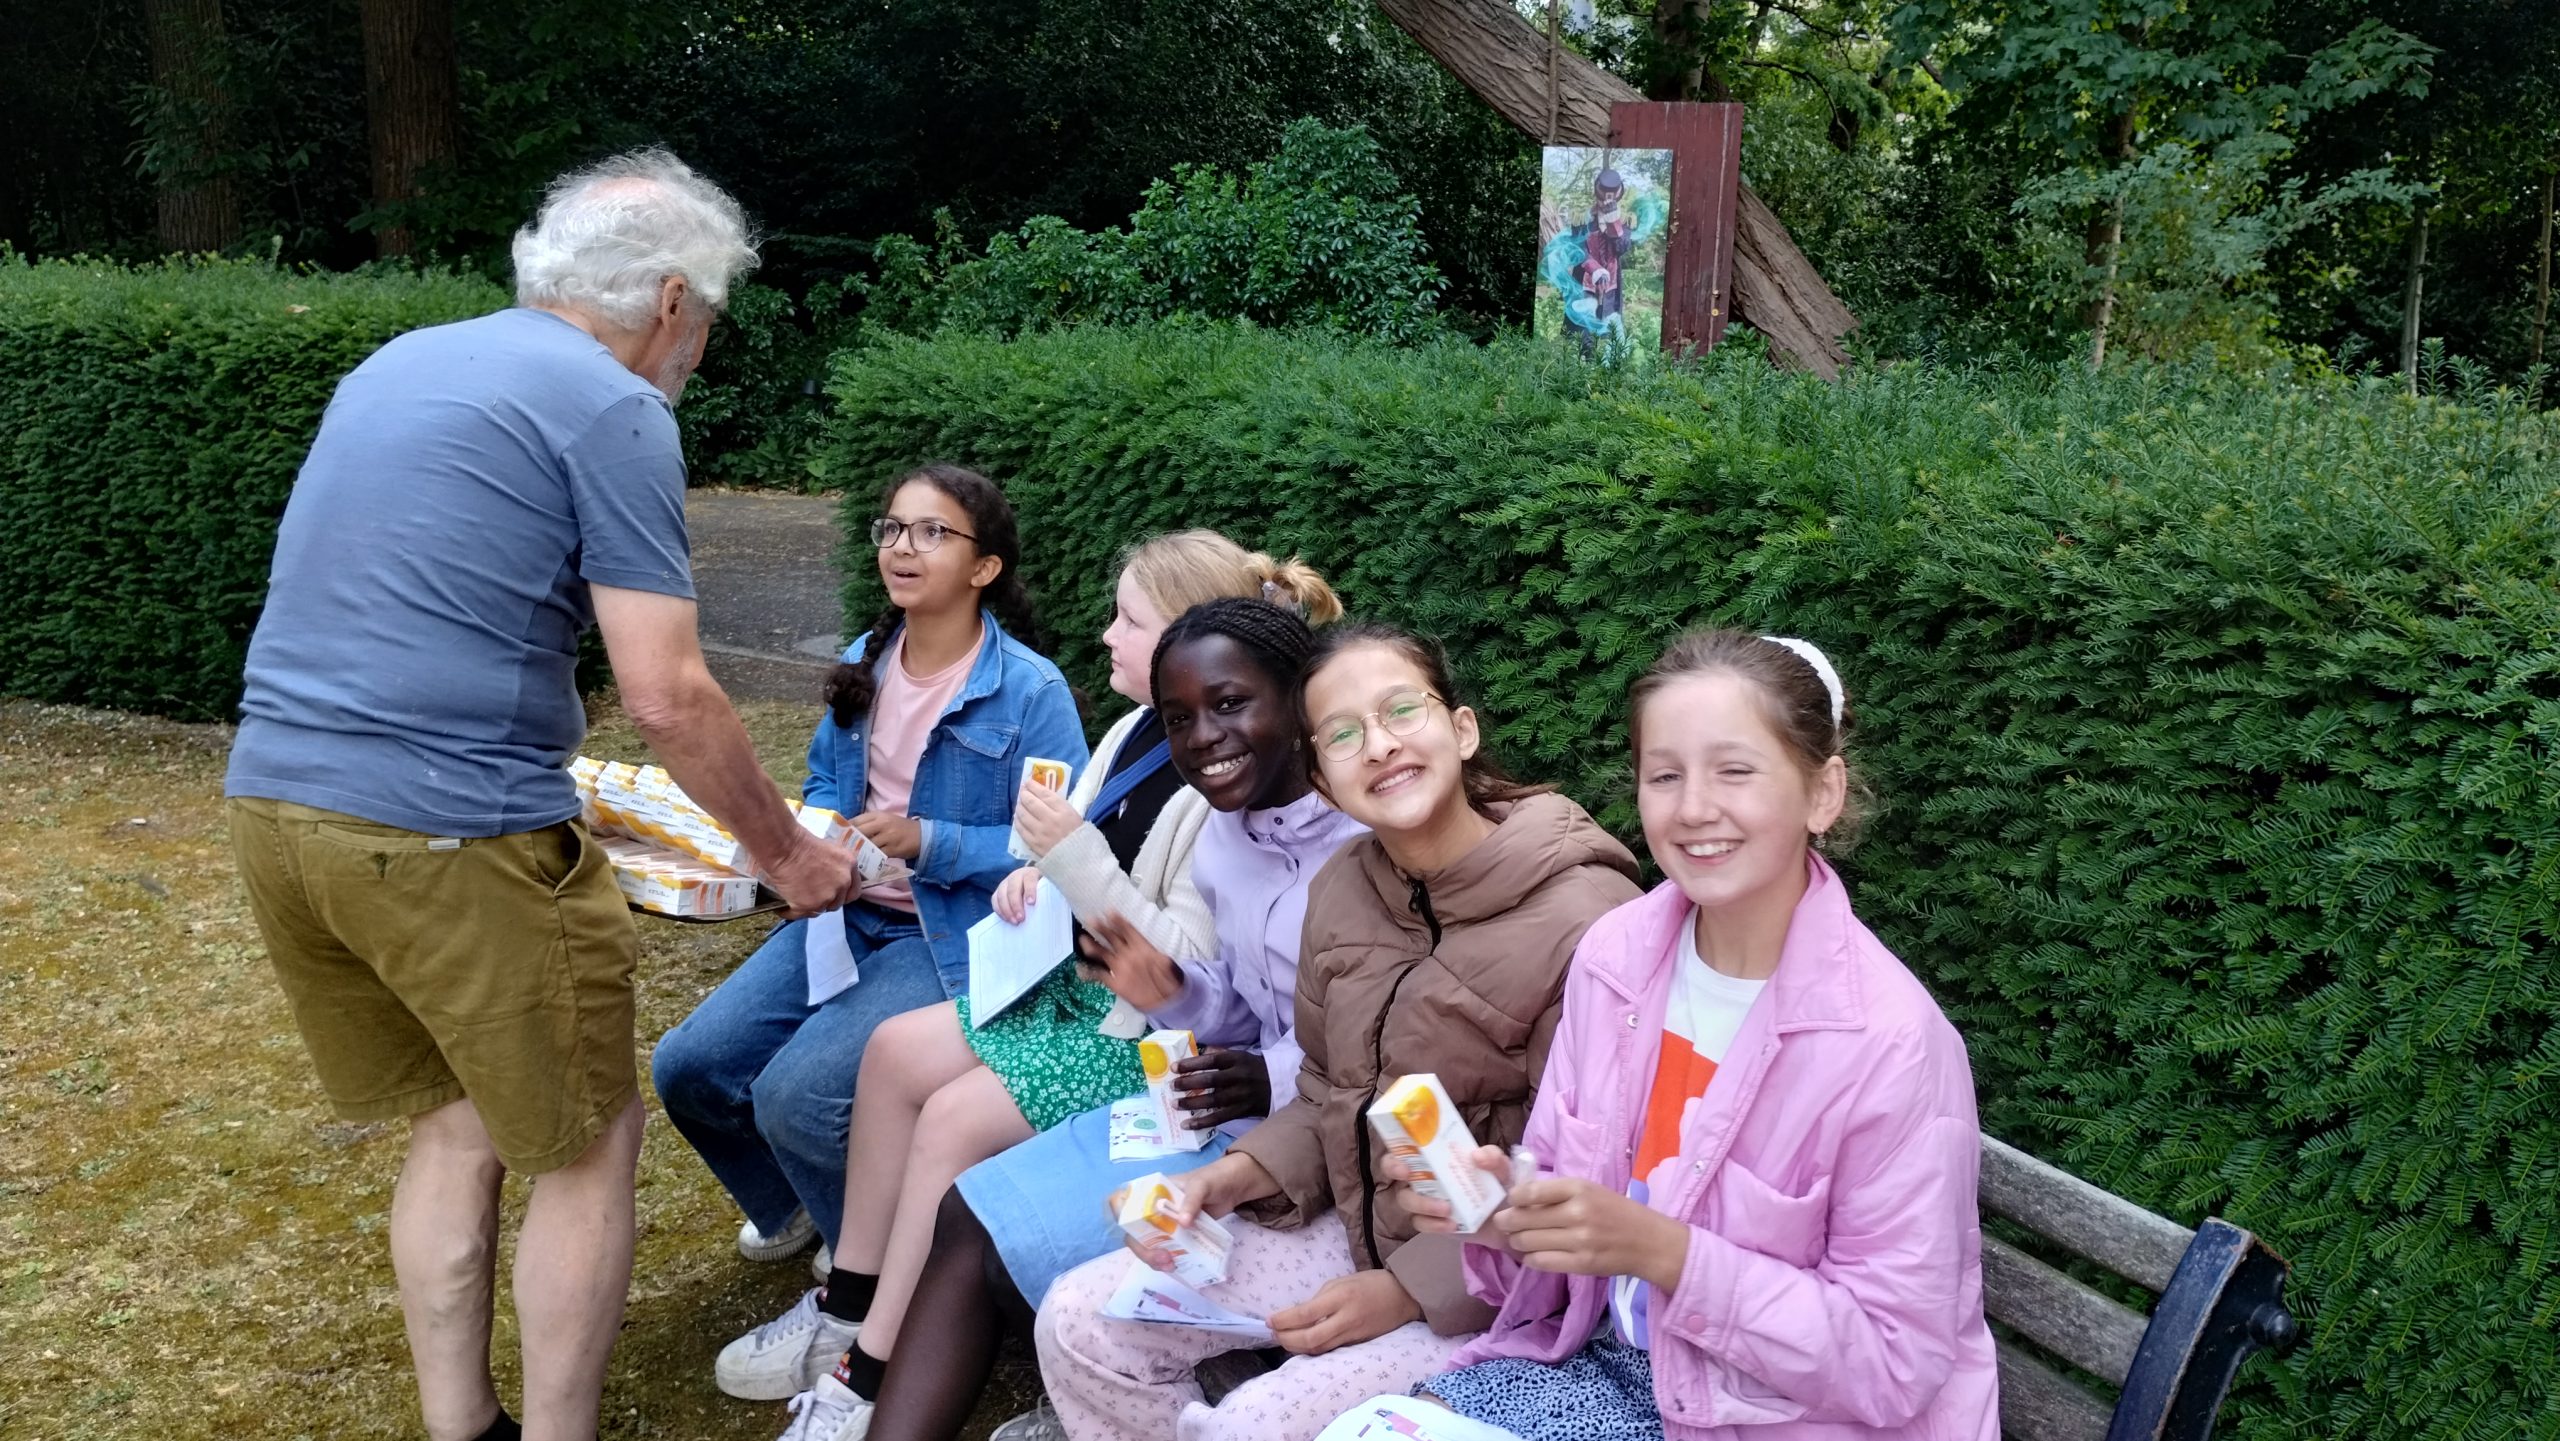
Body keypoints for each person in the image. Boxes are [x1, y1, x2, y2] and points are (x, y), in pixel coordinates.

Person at [222, 150, 861, 1441]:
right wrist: (792, 857)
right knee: (586, 1144)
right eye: (709, 317)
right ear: (672, 301)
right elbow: (669, 693)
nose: (701, 346)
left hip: (276, 805)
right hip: (446, 830)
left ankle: (466, 1426)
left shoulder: (398, 362)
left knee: (456, 1117)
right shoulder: (612, 405)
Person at [1322, 631, 1999, 1441]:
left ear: (1822, 793)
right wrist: (1496, 1212)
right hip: (1597, 1366)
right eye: (1665, 775)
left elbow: (1893, 1362)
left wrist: (1669, 1254)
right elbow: (1563, 1233)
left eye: (1735, 770)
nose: (1694, 807)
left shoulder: (1892, 1044)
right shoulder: (1616, 959)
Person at [711, 534, 1340, 1402]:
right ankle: (848, 1301)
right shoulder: (1132, 731)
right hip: (1070, 989)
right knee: (892, 1050)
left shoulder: (1219, 785)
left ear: (1184, 637)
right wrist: (1035, 873)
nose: (1107, 633)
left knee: (953, 1117)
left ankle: (875, 1364)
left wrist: (1072, 858)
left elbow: (1183, 963)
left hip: (1132, 1028)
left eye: (1129, 619)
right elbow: (1070, 846)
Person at [1034, 622, 1644, 1441]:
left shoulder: (1588, 920)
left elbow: (1588, 1175)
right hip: (1356, 1228)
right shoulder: (1345, 889)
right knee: (1080, 1320)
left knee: (1253, 1426)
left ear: (1462, 728)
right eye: (1345, 733)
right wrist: (1226, 1180)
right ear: (1321, 774)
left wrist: (1406, 1290)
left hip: (1502, 1287)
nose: (1380, 745)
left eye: (1402, 711)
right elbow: (1326, 1087)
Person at [650, 463, 1087, 1283]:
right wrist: (821, 838)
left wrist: (930, 840)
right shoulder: (867, 657)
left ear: (985, 566)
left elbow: (1063, 849)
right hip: (843, 915)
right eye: (891, 528)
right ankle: (799, 1207)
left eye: (932, 532)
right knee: (690, 1067)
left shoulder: (1031, 692)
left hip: (950, 936)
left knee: (797, 1096)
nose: (902, 547)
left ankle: (873, 1270)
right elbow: (825, 774)